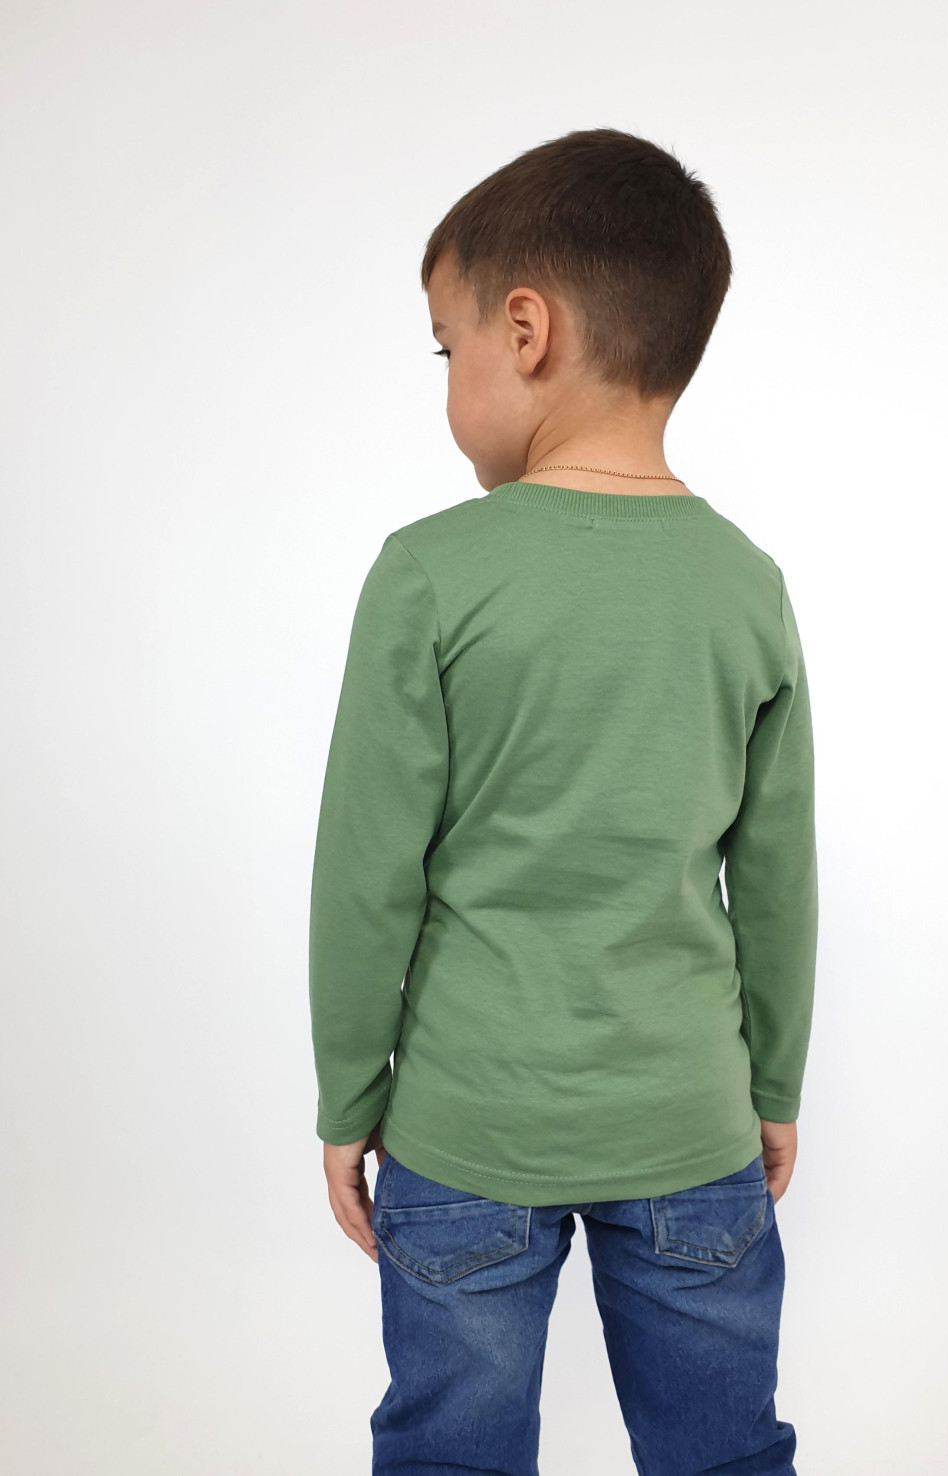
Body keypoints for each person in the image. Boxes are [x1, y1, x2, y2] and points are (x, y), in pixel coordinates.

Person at [308, 126, 818, 1476]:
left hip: (466, 1131)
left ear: (524, 330)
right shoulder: (747, 584)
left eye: (446, 346)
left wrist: (349, 1097)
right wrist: (771, 1084)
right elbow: (776, 876)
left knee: (451, 1456)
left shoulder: (428, 575)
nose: (446, 380)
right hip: (691, 1123)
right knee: (722, 1454)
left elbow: (366, 875)